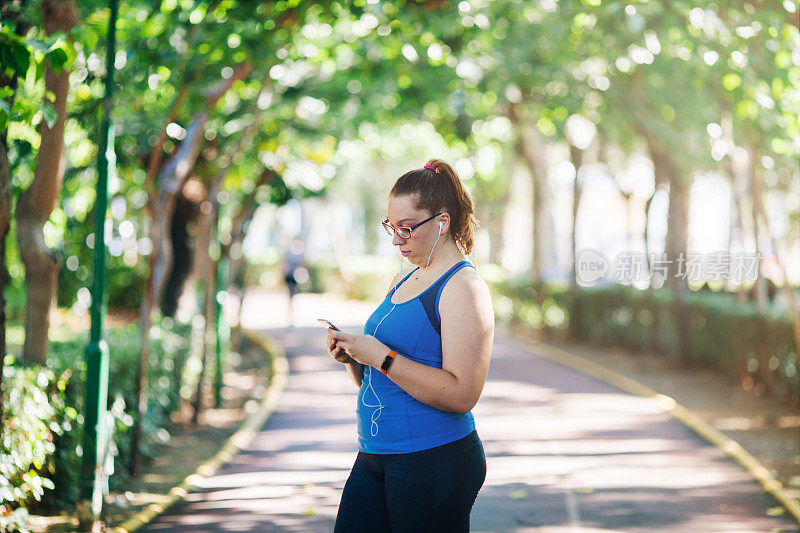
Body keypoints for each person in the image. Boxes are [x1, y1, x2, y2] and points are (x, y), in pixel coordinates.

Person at [325, 159, 495, 532]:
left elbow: (462, 394)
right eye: (391, 226)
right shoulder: (405, 278)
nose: (396, 239)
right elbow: (384, 379)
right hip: (375, 454)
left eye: (406, 228)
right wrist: (355, 357)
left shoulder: (463, 287)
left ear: (442, 222)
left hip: (433, 459)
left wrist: (382, 358)